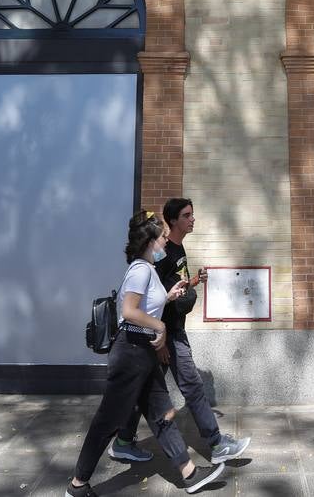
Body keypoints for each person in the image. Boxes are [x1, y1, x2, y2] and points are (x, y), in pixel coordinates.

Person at [67, 211, 227, 497]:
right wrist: (161, 326)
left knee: (163, 414)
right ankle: (78, 484)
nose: (166, 240)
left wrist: (169, 296)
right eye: (162, 236)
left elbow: (146, 305)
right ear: (150, 241)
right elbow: (129, 312)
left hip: (143, 353)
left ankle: (189, 474)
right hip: (130, 353)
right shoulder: (140, 269)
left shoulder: (148, 270)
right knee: (107, 420)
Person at [108, 198, 250, 466]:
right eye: (187, 215)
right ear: (173, 221)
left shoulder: (177, 248)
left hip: (171, 331)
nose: (192, 219)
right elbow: (151, 301)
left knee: (144, 392)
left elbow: (168, 289)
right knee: (193, 386)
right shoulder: (160, 255)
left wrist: (193, 282)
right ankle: (217, 444)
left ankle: (123, 441)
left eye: (192, 214)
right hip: (167, 334)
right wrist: (160, 343)